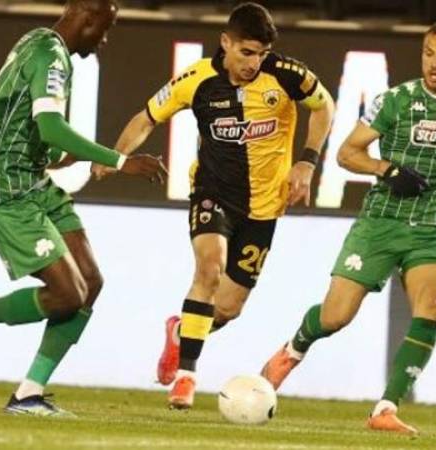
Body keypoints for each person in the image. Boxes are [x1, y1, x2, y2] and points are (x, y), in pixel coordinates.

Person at [0, 0, 167, 417]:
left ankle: (28, 394)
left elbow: (27, 124)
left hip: (35, 181)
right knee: (67, 294)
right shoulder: (50, 54)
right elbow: (51, 127)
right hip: (7, 189)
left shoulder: (38, 43)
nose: (105, 39)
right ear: (87, 18)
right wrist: (121, 160)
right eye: (106, 28)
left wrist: (57, 152)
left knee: (89, 283)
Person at [95, 2, 334, 409]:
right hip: (213, 192)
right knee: (209, 267)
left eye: (261, 54)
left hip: (264, 206)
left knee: (226, 307)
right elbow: (147, 117)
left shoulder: (286, 74)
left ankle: (180, 333)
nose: (254, 63)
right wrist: (115, 157)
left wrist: (307, 162)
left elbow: (324, 106)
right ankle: (186, 378)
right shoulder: (196, 79)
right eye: (246, 52)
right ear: (226, 42)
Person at [260, 20, 436, 435]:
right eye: (428, 54)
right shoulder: (396, 101)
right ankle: (292, 350)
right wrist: (388, 170)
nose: (434, 64)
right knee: (335, 316)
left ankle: (386, 408)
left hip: (433, 229)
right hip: (382, 222)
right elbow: (347, 154)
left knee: (434, 308)